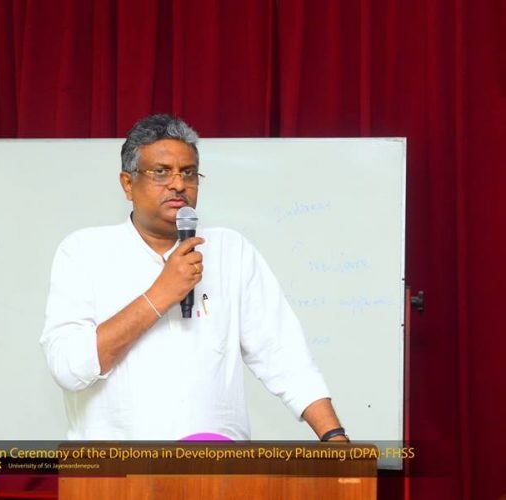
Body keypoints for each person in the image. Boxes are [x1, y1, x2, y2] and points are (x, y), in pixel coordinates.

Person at [40, 114, 348, 442]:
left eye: (188, 172)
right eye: (161, 172)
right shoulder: (84, 252)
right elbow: (69, 368)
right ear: (128, 184)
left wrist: (335, 438)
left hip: (218, 466)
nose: (178, 184)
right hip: (119, 467)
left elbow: (285, 356)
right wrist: (160, 295)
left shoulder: (231, 251)